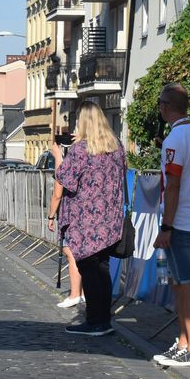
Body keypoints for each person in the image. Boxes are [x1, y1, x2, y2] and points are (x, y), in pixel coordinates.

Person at [48, 101, 125, 336]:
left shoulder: (82, 150)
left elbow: (64, 179)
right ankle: (104, 319)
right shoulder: (117, 147)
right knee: (102, 268)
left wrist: (58, 156)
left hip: (86, 221)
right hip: (110, 220)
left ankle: (95, 321)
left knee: (90, 270)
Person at [152, 83, 190, 368]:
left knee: (186, 285)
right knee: (179, 283)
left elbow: (174, 184)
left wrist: (166, 227)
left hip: (183, 221)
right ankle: (184, 340)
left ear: (165, 107)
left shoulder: (175, 139)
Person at [47, 179, 85, 309]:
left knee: (71, 253)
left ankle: (75, 295)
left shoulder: (68, 165)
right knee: (85, 254)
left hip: (71, 215)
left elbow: (57, 194)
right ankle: (83, 292)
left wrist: (51, 216)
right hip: (88, 214)